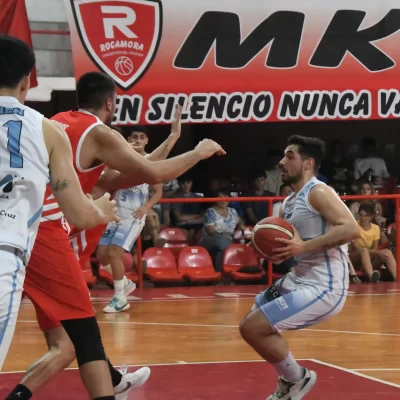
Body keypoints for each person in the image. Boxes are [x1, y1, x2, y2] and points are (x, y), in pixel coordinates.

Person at [7, 71, 225, 400]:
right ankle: (110, 385)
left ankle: (113, 380)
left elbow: (119, 177)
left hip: (25, 228)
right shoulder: (98, 132)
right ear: (111, 102)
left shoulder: (56, 122)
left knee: (66, 343)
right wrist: (199, 152)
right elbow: (150, 172)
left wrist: (172, 139)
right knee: (81, 335)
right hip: (54, 236)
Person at [0, 35, 117, 374]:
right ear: (27, 81)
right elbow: (79, 213)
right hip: (7, 253)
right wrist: (102, 212)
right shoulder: (47, 129)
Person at [239, 135, 360, 400]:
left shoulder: (319, 191)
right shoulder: (286, 204)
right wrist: (264, 249)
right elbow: (284, 254)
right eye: (283, 156)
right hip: (299, 278)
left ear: (308, 164)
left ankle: (295, 379)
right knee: (250, 323)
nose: (282, 162)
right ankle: (293, 378)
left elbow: (352, 229)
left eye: (290, 156)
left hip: (325, 286)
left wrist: (303, 247)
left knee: (254, 328)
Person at [97, 125, 165, 313]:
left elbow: (158, 191)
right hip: (116, 213)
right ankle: (125, 283)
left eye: (141, 137)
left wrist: (145, 207)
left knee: (113, 253)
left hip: (133, 215)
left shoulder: (148, 161)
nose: (137, 140)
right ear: (128, 139)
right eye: (134, 136)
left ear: (146, 141)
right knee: (102, 256)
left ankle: (120, 298)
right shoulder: (120, 158)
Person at [349, 203, 396, 282]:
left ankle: (397, 279)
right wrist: (377, 253)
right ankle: (372, 278)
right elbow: (356, 247)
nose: (363, 218)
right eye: (361, 215)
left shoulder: (375, 228)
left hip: (369, 259)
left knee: (387, 252)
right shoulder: (354, 226)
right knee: (363, 250)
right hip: (355, 259)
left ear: (371, 217)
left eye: (366, 216)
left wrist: (375, 254)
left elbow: (375, 247)